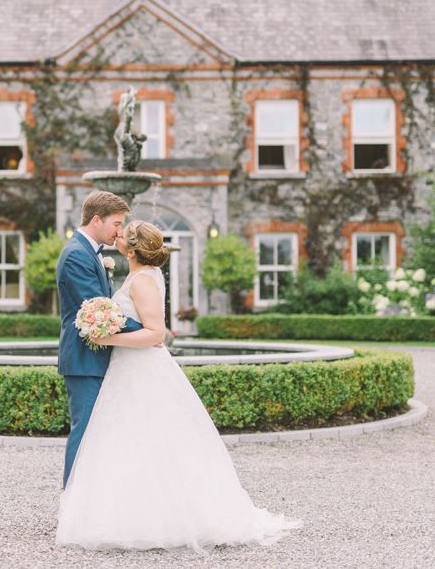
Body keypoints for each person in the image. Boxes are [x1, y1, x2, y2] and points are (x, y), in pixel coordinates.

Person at [56, 220, 301, 552]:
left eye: (123, 233)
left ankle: (160, 518)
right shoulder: (138, 276)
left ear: (131, 248)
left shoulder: (143, 281)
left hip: (140, 369)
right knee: (128, 442)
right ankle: (130, 513)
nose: (118, 235)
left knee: (151, 441)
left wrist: (108, 336)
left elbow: (157, 334)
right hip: (125, 369)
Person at [56, 191, 144, 489]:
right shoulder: (77, 255)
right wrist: (146, 328)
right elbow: (97, 310)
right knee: (85, 433)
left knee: (98, 434)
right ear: (96, 220)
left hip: (95, 358)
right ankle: (72, 504)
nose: (119, 231)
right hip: (84, 360)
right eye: (116, 223)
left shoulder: (88, 251)